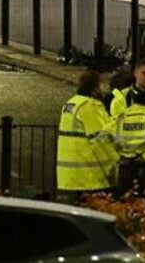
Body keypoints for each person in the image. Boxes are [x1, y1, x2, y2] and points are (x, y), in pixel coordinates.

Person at [56, 70, 118, 199]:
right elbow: (101, 141)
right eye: (102, 86)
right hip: (92, 177)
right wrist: (114, 169)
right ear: (95, 88)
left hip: (72, 176)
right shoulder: (91, 106)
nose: (104, 90)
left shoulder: (71, 104)